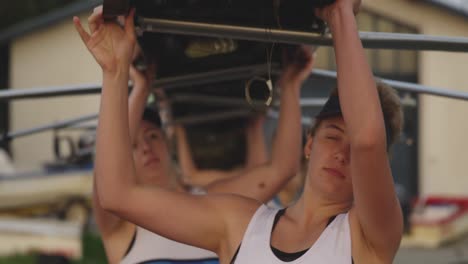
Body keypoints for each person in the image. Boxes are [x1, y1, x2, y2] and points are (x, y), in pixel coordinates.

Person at [76, 0, 404, 262]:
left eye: (354, 150)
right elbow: (116, 195)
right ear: (309, 143)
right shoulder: (240, 223)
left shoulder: (367, 241)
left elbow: (368, 139)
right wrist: (116, 73)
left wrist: (340, 13)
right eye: (332, 136)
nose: (340, 154)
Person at [77, 7, 312, 264]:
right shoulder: (121, 224)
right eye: (133, 145)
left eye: (153, 136)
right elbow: (108, 182)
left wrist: (290, 87)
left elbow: (283, 169)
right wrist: (132, 82)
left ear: (168, 145)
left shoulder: (209, 202)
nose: (145, 148)